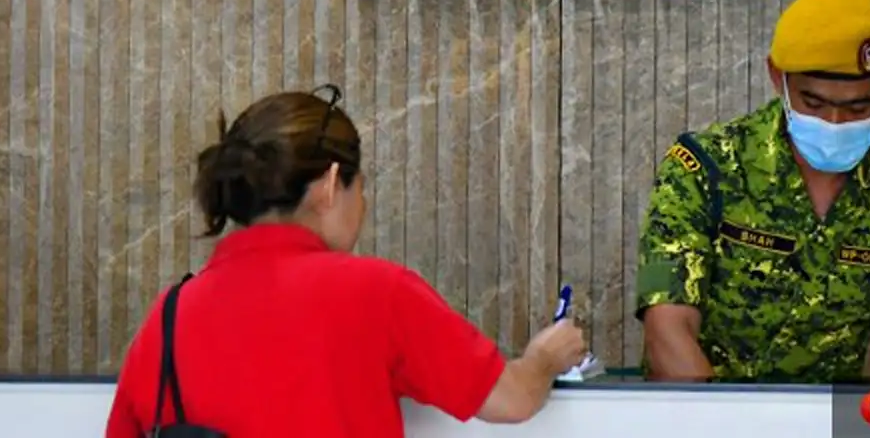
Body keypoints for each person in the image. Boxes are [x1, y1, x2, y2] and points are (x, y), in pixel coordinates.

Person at [105, 86, 587, 438]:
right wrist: (544, 358)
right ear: (331, 184)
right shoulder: (376, 292)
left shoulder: (170, 315)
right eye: (362, 186)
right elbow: (511, 399)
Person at [634, 0, 870, 384]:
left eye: (858, 106)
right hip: (703, 412)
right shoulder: (704, 169)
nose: (834, 122)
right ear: (778, 78)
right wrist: (727, 418)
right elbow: (667, 332)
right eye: (813, 103)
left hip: (830, 416)